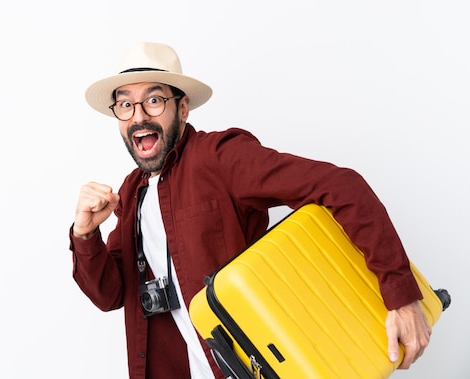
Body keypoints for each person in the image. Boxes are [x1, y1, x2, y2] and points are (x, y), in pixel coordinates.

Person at [69, 42, 431, 379]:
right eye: (126, 105)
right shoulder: (131, 192)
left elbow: (341, 186)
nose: (138, 116)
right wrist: (85, 233)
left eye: (154, 100)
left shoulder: (220, 157)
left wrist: (401, 296)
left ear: (182, 108)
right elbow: (111, 294)